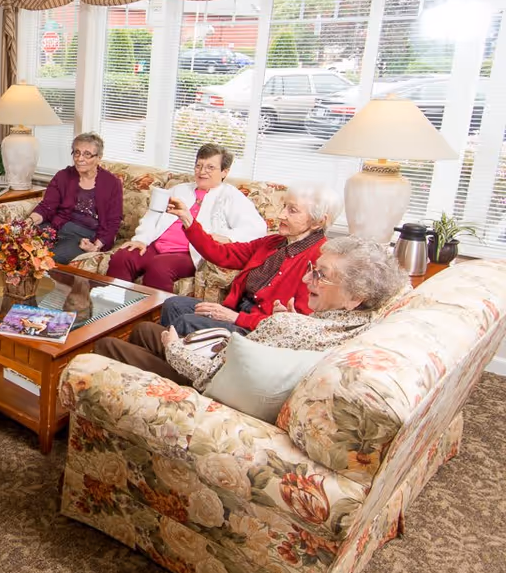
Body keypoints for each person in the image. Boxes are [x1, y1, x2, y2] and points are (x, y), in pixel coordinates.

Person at [94, 236, 406, 389]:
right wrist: (287, 318)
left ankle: (130, 388)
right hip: (237, 356)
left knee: (107, 344)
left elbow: (214, 374)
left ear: (355, 297)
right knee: (145, 330)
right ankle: (127, 383)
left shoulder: (295, 327)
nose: (309, 279)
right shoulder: (348, 320)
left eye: (321, 275)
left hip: (214, 386)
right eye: (314, 270)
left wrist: (175, 349)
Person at [159, 182, 343, 336]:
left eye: (292, 211)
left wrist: (236, 318)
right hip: (237, 313)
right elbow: (222, 254)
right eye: (284, 207)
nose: (281, 215)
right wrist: (188, 219)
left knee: (186, 322)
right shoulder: (274, 242)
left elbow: (299, 324)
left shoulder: (320, 261)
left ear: (319, 221)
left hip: (257, 330)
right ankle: (173, 359)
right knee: (173, 305)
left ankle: (178, 364)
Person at [106, 143, 267, 291]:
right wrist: (141, 239)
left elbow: (257, 228)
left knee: (159, 267)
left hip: (189, 253)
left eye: (210, 167)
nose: (202, 171)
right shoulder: (179, 189)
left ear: (225, 172)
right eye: (199, 166)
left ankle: (151, 320)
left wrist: (228, 238)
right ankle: (114, 313)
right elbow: (153, 215)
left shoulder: (231, 196)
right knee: (123, 257)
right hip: (156, 246)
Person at [26, 132, 123, 265]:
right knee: (18, 248)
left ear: (99, 157)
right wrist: (28, 222)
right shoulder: (63, 176)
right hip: (56, 227)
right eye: (76, 153)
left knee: (48, 260)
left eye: (87, 154)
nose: (79, 158)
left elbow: (113, 222)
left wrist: (95, 246)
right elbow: (46, 207)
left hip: (84, 237)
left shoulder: (112, 183)